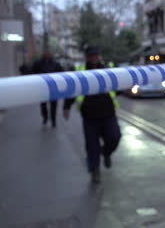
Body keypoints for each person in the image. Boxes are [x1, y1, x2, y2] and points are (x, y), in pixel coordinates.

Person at [63, 46, 121, 184]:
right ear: (87, 57)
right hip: (89, 116)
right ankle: (95, 170)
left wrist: (126, 88)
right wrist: (67, 106)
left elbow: (118, 85)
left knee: (115, 137)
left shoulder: (108, 68)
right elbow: (72, 88)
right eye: (91, 56)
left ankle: (106, 153)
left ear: (99, 56)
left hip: (108, 113)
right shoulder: (79, 71)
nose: (94, 58)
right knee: (91, 146)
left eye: (96, 55)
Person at [32, 50, 63, 128]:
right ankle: (45, 117)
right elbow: (33, 73)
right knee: (43, 105)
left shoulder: (56, 64)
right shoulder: (38, 63)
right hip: (42, 88)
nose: (47, 54)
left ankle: (53, 120)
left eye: (49, 53)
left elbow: (61, 74)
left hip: (53, 88)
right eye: (46, 53)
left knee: (54, 105)